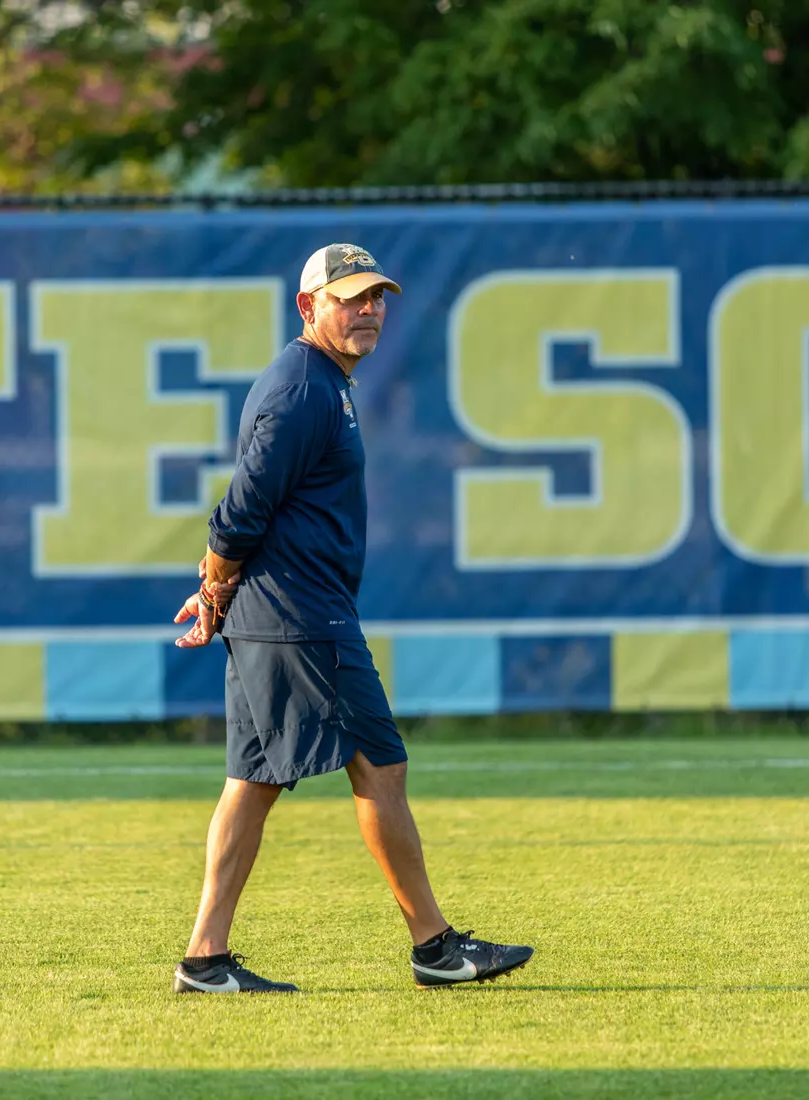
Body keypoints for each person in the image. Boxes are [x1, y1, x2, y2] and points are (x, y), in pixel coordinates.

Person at [168, 243, 534, 993]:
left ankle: (205, 960)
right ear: (309, 307)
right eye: (351, 298)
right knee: (380, 764)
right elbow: (243, 506)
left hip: (284, 613)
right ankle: (435, 947)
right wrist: (213, 587)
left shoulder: (319, 380)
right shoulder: (303, 386)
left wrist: (219, 589)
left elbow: (247, 513)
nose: (369, 310)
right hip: (303, 618)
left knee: (254, 780)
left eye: (376, 298)